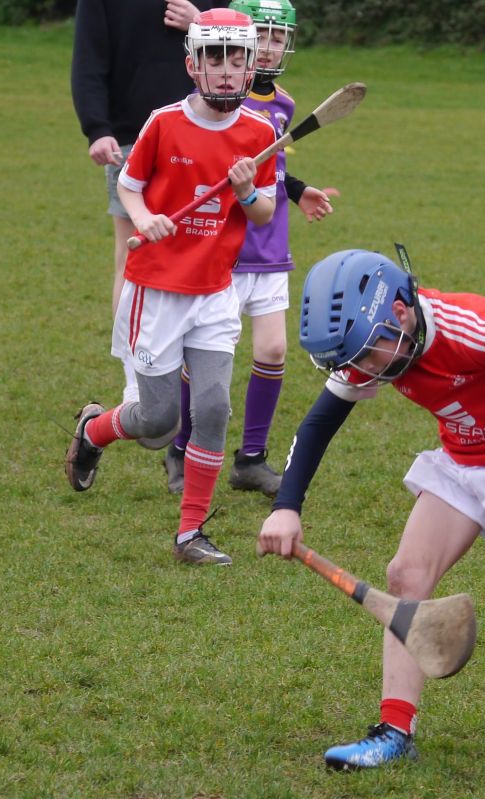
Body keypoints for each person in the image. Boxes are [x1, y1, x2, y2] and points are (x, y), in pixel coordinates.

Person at [257, 249, 485, 769]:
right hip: (462, 460)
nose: (360, 372)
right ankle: (395, 731)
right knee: (406, 574)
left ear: (401, 313)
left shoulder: (480, 330)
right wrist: (286, 506)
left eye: (365, 356)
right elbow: (317, 424)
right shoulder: (373, 344)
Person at [64, 9, 279, 566]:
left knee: (212, 409)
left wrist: (248, 190)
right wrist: (143, 219)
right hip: (155, 291)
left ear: (251, 66)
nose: (227, 71)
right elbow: (130, 187)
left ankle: (190, 534)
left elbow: (263, 214)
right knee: (158, 422)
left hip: (214, 293)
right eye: (214, 59)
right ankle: (94, 431)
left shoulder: (259, 134)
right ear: (192, 64)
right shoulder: (163, 123)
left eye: (237, 59)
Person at [164, 0, 338, 498]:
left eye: (278, 37)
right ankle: (181, 446)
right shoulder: (215, 101)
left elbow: (271, 169)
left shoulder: (283, 103)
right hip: (224, 252)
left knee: (273, 350)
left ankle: (251, 459)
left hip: (271, 249)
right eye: (259, 37)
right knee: (203, 358)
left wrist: (299, 190)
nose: (268, 47)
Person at [71, 0, 215, 419]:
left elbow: (241, 46)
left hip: (204, 137)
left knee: (199, 251)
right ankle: (136, 378)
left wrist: (200, 23)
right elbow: (88, 60)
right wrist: (97, 129)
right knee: (132, 256)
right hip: (134, 141)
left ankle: (192, 369)